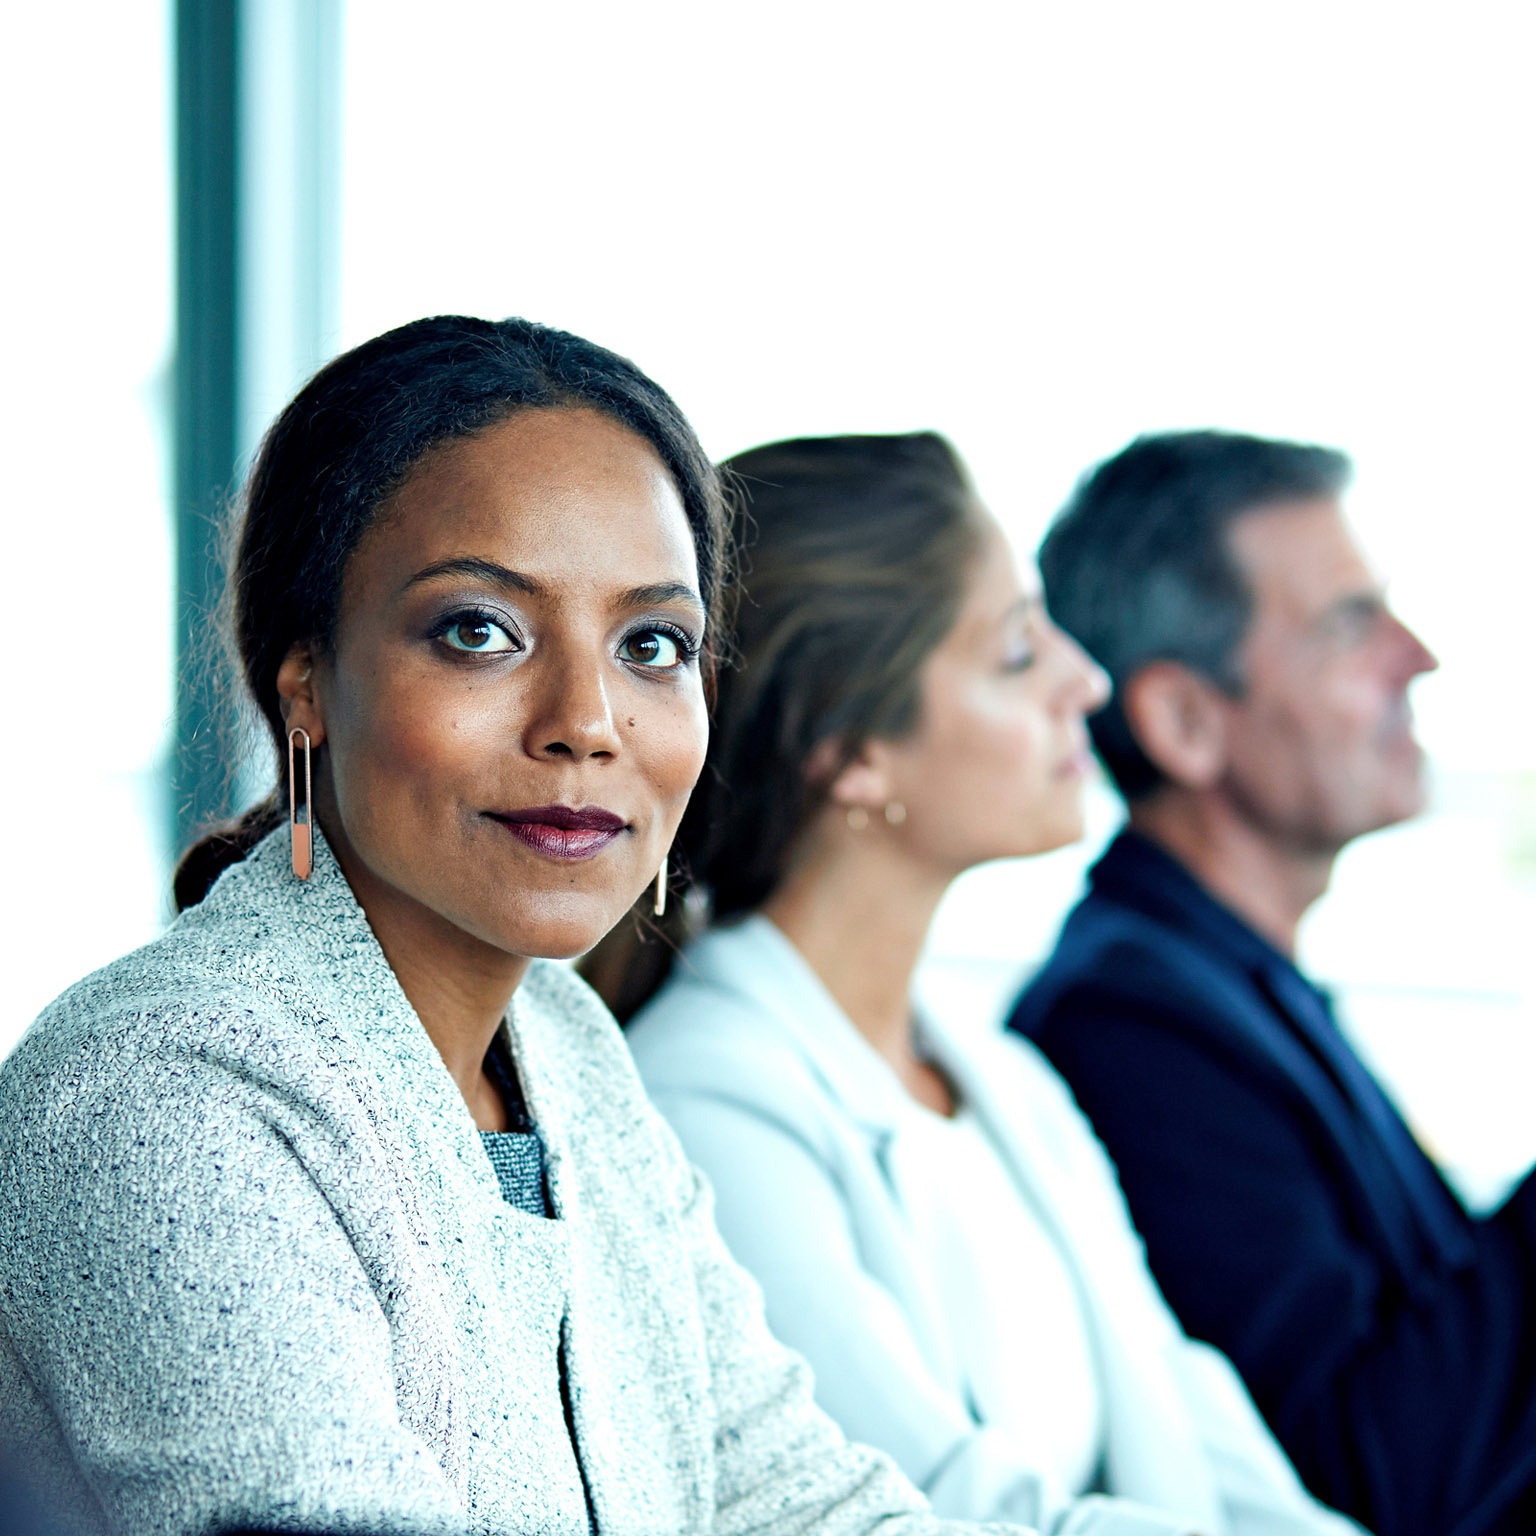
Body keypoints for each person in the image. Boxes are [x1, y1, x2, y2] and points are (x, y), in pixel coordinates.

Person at [0, 319, 1039, 1536]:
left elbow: (803, 1503)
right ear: (305, 684)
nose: (587, 723)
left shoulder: (566, 1052)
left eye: (652, 645)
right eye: (478, 631)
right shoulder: (165, 1097)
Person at [617, 432, 1360, 1536]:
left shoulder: (1004, 1081)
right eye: (1018, 654)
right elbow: (925, 1507)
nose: (1088, 683)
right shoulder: (704, 1110)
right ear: (851, 750)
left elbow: (1200, 1424)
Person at [1007, 429, 1536, 1536]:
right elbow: (1369, 1485)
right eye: (1353, 624)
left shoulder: (1231, 982)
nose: (1418, 657)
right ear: (1186, 722)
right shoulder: (1131, 1030)